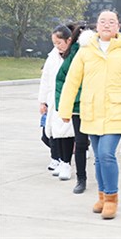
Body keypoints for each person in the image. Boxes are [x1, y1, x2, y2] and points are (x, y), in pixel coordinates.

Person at [58, 10, 121, 220]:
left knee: (107, 154)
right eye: (102, 21)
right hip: (91, 111)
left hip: (117, 110)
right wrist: (65, 109)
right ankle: (101, 196)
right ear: (96, 25)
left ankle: (112, 198)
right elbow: (72, 80)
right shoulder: (85, 50)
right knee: (98, 158)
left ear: (118, 26)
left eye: (112, 22)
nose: (107, 25)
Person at [55, 23, 90, 193]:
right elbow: (63, 80)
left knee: (101, 150)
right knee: (81, 143)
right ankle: (81, 178)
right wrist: (64, 107)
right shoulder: (77, 53)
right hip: (79, 106)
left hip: (99, 105)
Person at [39, 25, 75, 181]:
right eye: (54, 43)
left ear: (68, 40)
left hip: (69, 100)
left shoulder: (74, 56)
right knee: (54, 132)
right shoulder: (53, 56)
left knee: (66, 132)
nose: (57, 47)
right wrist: (43, 101)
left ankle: (66, 163)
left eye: (59, 43)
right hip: (53, 100)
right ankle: (59, 160)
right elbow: (46, 80)